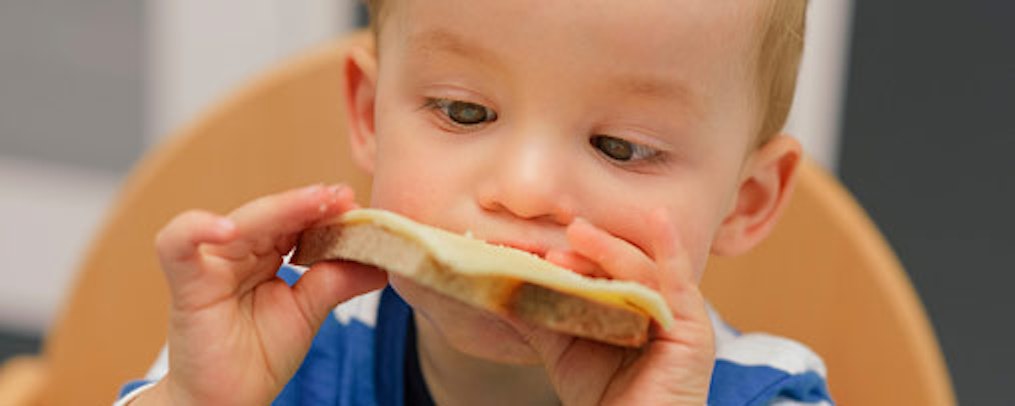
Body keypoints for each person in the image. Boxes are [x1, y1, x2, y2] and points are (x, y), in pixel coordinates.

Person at [118, 0, 832, 404]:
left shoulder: (765, 392)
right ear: (370, 116)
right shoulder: (283, 353)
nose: (524, 192)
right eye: (463, 112)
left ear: (744, 202)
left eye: (620, 147)